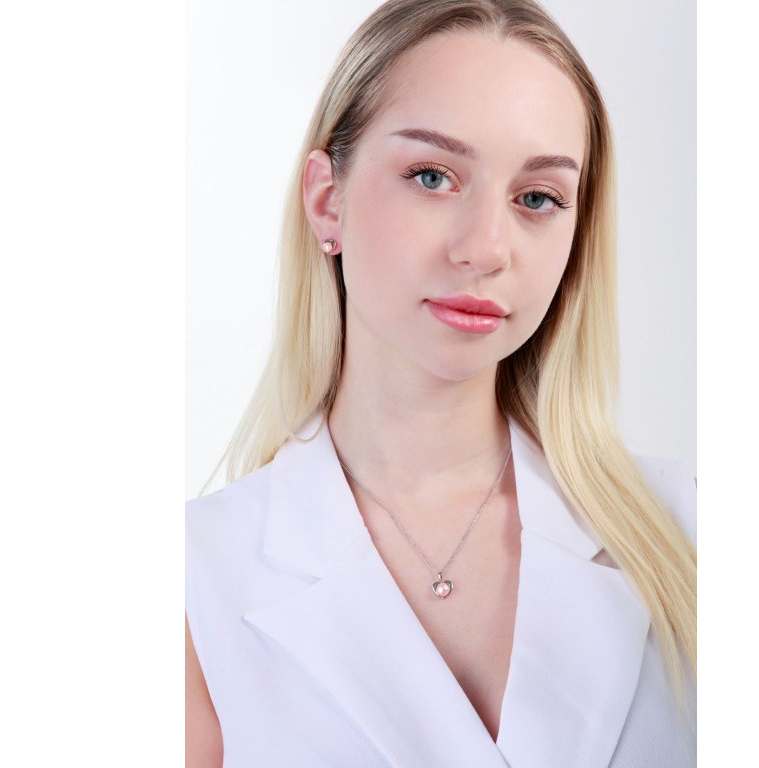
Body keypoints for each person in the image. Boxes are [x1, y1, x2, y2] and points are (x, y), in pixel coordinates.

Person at [185, 0, 697, 765]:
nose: (486, 248)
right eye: (433, 176)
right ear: (327, 200)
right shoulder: (195, 580)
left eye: (537, 198)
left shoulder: (688, 532)